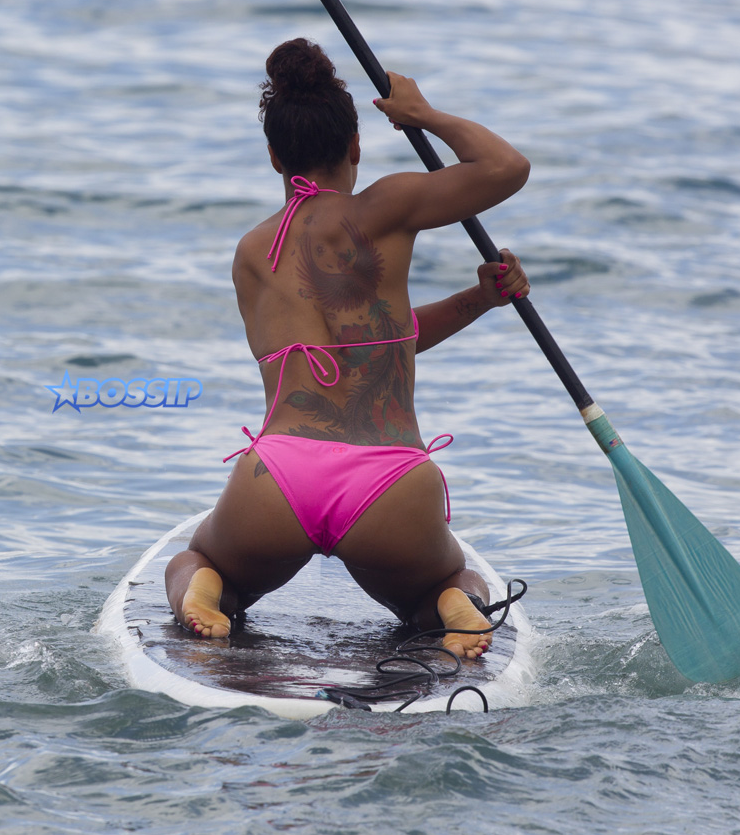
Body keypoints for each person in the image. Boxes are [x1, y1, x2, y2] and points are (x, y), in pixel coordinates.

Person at [165, 39, 530, 659]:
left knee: (196, 560)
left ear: (275, 156)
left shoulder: (254, 253)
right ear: (356, 147)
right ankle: (449, 603)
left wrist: (476, 301)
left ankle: (203, 593)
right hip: (390, 480)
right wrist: (423, 116)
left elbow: (338, 348)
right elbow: (506, 167)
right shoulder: (387, 207)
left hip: (277, 477)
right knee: (441, 583)